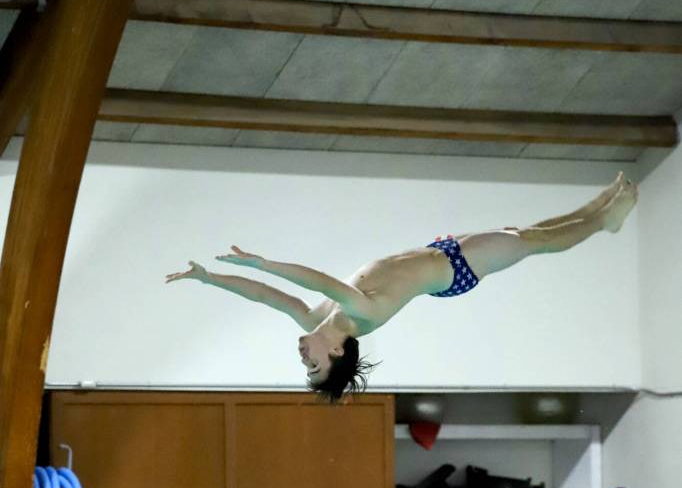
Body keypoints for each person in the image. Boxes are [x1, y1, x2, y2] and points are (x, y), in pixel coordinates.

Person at [166, 174, 637, 401]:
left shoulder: (317, 320)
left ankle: (600, 208)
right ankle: (602, 221)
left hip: (438, 251)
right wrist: (263, 261)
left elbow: (267, 297)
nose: (302, 358)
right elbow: (319, 279)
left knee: (526, 234)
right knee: (534, 242)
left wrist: (211, 279)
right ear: (334, 354)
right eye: (312, 366)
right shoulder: (360, 317)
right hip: (456, 269)